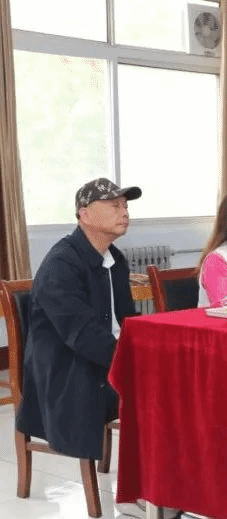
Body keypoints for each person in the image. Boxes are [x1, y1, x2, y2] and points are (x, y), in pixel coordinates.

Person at [16, 178, 142, 465]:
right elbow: (82, 334)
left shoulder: (115, 260)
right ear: (85, 215)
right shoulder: (61, 264)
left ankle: (166, 477)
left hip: (104, 361)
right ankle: (148, 481)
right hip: (69, 372)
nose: (124, 212)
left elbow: (128, 321)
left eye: (125, 206)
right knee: (158, 390)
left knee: (177, 382)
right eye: (114, 206)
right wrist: (131, 360)